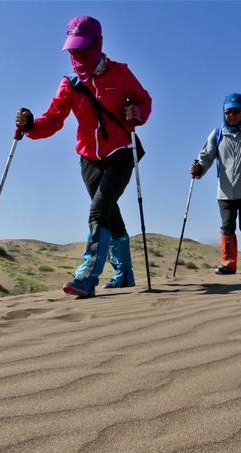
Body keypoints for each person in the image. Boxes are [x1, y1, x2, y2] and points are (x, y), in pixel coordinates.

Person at [15, 16, 152, 298]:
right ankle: (124, 273)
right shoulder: (70, 84)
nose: (76, 55)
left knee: (98, 211)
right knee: (109, 214)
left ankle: (86, 277)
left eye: (82, 48)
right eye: (72, 49)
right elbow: (53, 120)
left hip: (121, 154)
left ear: (97, 43)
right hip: (88, 159)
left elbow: (144, 100)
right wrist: (30, 126)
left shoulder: (120, 73)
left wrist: (136, 113)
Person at [190, 93, 241, 274]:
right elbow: (206, 157)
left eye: (236, 111)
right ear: (223, 112)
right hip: (225, 193)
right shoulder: (217, 134)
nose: (232, 115)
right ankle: (229, 264)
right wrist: (198, 169)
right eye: (228, 112)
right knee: (227, 226)